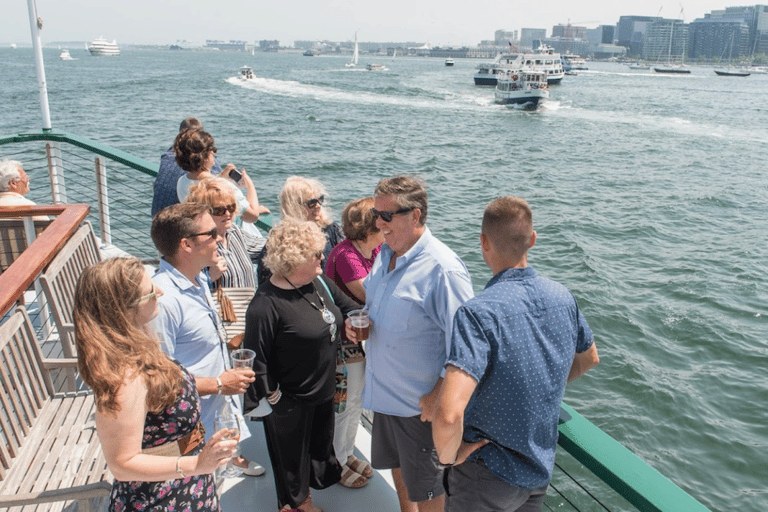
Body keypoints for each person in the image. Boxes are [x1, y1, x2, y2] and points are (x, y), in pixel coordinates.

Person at [432, 197, 600, 512]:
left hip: (483, 475)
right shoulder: (562, 297)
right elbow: (589, 358)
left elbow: (448, 414)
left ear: (483, 242)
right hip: (538, 470)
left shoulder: (477, 313)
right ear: (532, 240)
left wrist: (447, 457)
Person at [346, 175, 474, 512]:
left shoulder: (443, 270)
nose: (378, 223)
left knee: (430, 493)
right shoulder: (384, 254)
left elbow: (467, 343)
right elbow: (376, 306)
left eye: (386, 216)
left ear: (415, 216)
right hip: (384, 397)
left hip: (418, 409)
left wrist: (439, 393)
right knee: (400, 472)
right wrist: (360, 322)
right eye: (377, 214)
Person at [73, 257, 237, 511]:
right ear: (124, 310)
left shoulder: (139, 342)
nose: (159, 291)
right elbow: (122, 464)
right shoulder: (125, 378)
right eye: (150, 292)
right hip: (161, 497)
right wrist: (196, 466)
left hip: (183, 482)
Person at [243, 219, 361, 512]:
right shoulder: (265, 304)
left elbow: (348, 308)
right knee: (291, 459)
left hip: (323, 390)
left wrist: (353, 323)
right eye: (316, 254)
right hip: (289, 399)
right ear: (295, 260)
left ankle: (304, 496)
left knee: (317, 449)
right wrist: (274, 397)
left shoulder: (318, 282)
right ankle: (296, 505)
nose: (323, 257)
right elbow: (256, 358)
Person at [150, 202, 265, 477]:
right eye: (211, 234)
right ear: (186, 245)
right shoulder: (164, 302)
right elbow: (158, 379)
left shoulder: (199, 279)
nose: (220, 237)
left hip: (213, 417)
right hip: (189, 430)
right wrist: (217, 384)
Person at [324, 196, 384, 488]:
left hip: (361, 339)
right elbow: (368, 294)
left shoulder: (375, 249)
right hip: (345, 341)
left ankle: (346, 453)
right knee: (345, 402)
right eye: (382, 221)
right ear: (369, 228)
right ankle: (335, 459)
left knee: (358, 399)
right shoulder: (346, 255)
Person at [173, 127, 269, 225]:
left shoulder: (181, 182)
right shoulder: (224, 186)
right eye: (212, 150)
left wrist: (220, 178)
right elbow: (252, 216)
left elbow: (205, 191)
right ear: (204, 157)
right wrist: (250, 185)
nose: (214, 153)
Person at [186, 177, 265, 288]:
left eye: (231, 207)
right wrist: (209, 278)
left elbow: (267, 248)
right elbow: (186, 289)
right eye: (219, 210)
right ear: (202, 212)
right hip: (218, 305)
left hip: (246, 304)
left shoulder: (234, 232)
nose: (227, 213)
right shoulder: (197, 244)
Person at [151, 117, 223, 217]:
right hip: (179, 224)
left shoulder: (166, 157)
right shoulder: (203, 160)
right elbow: (220, 191)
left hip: (157, 219)